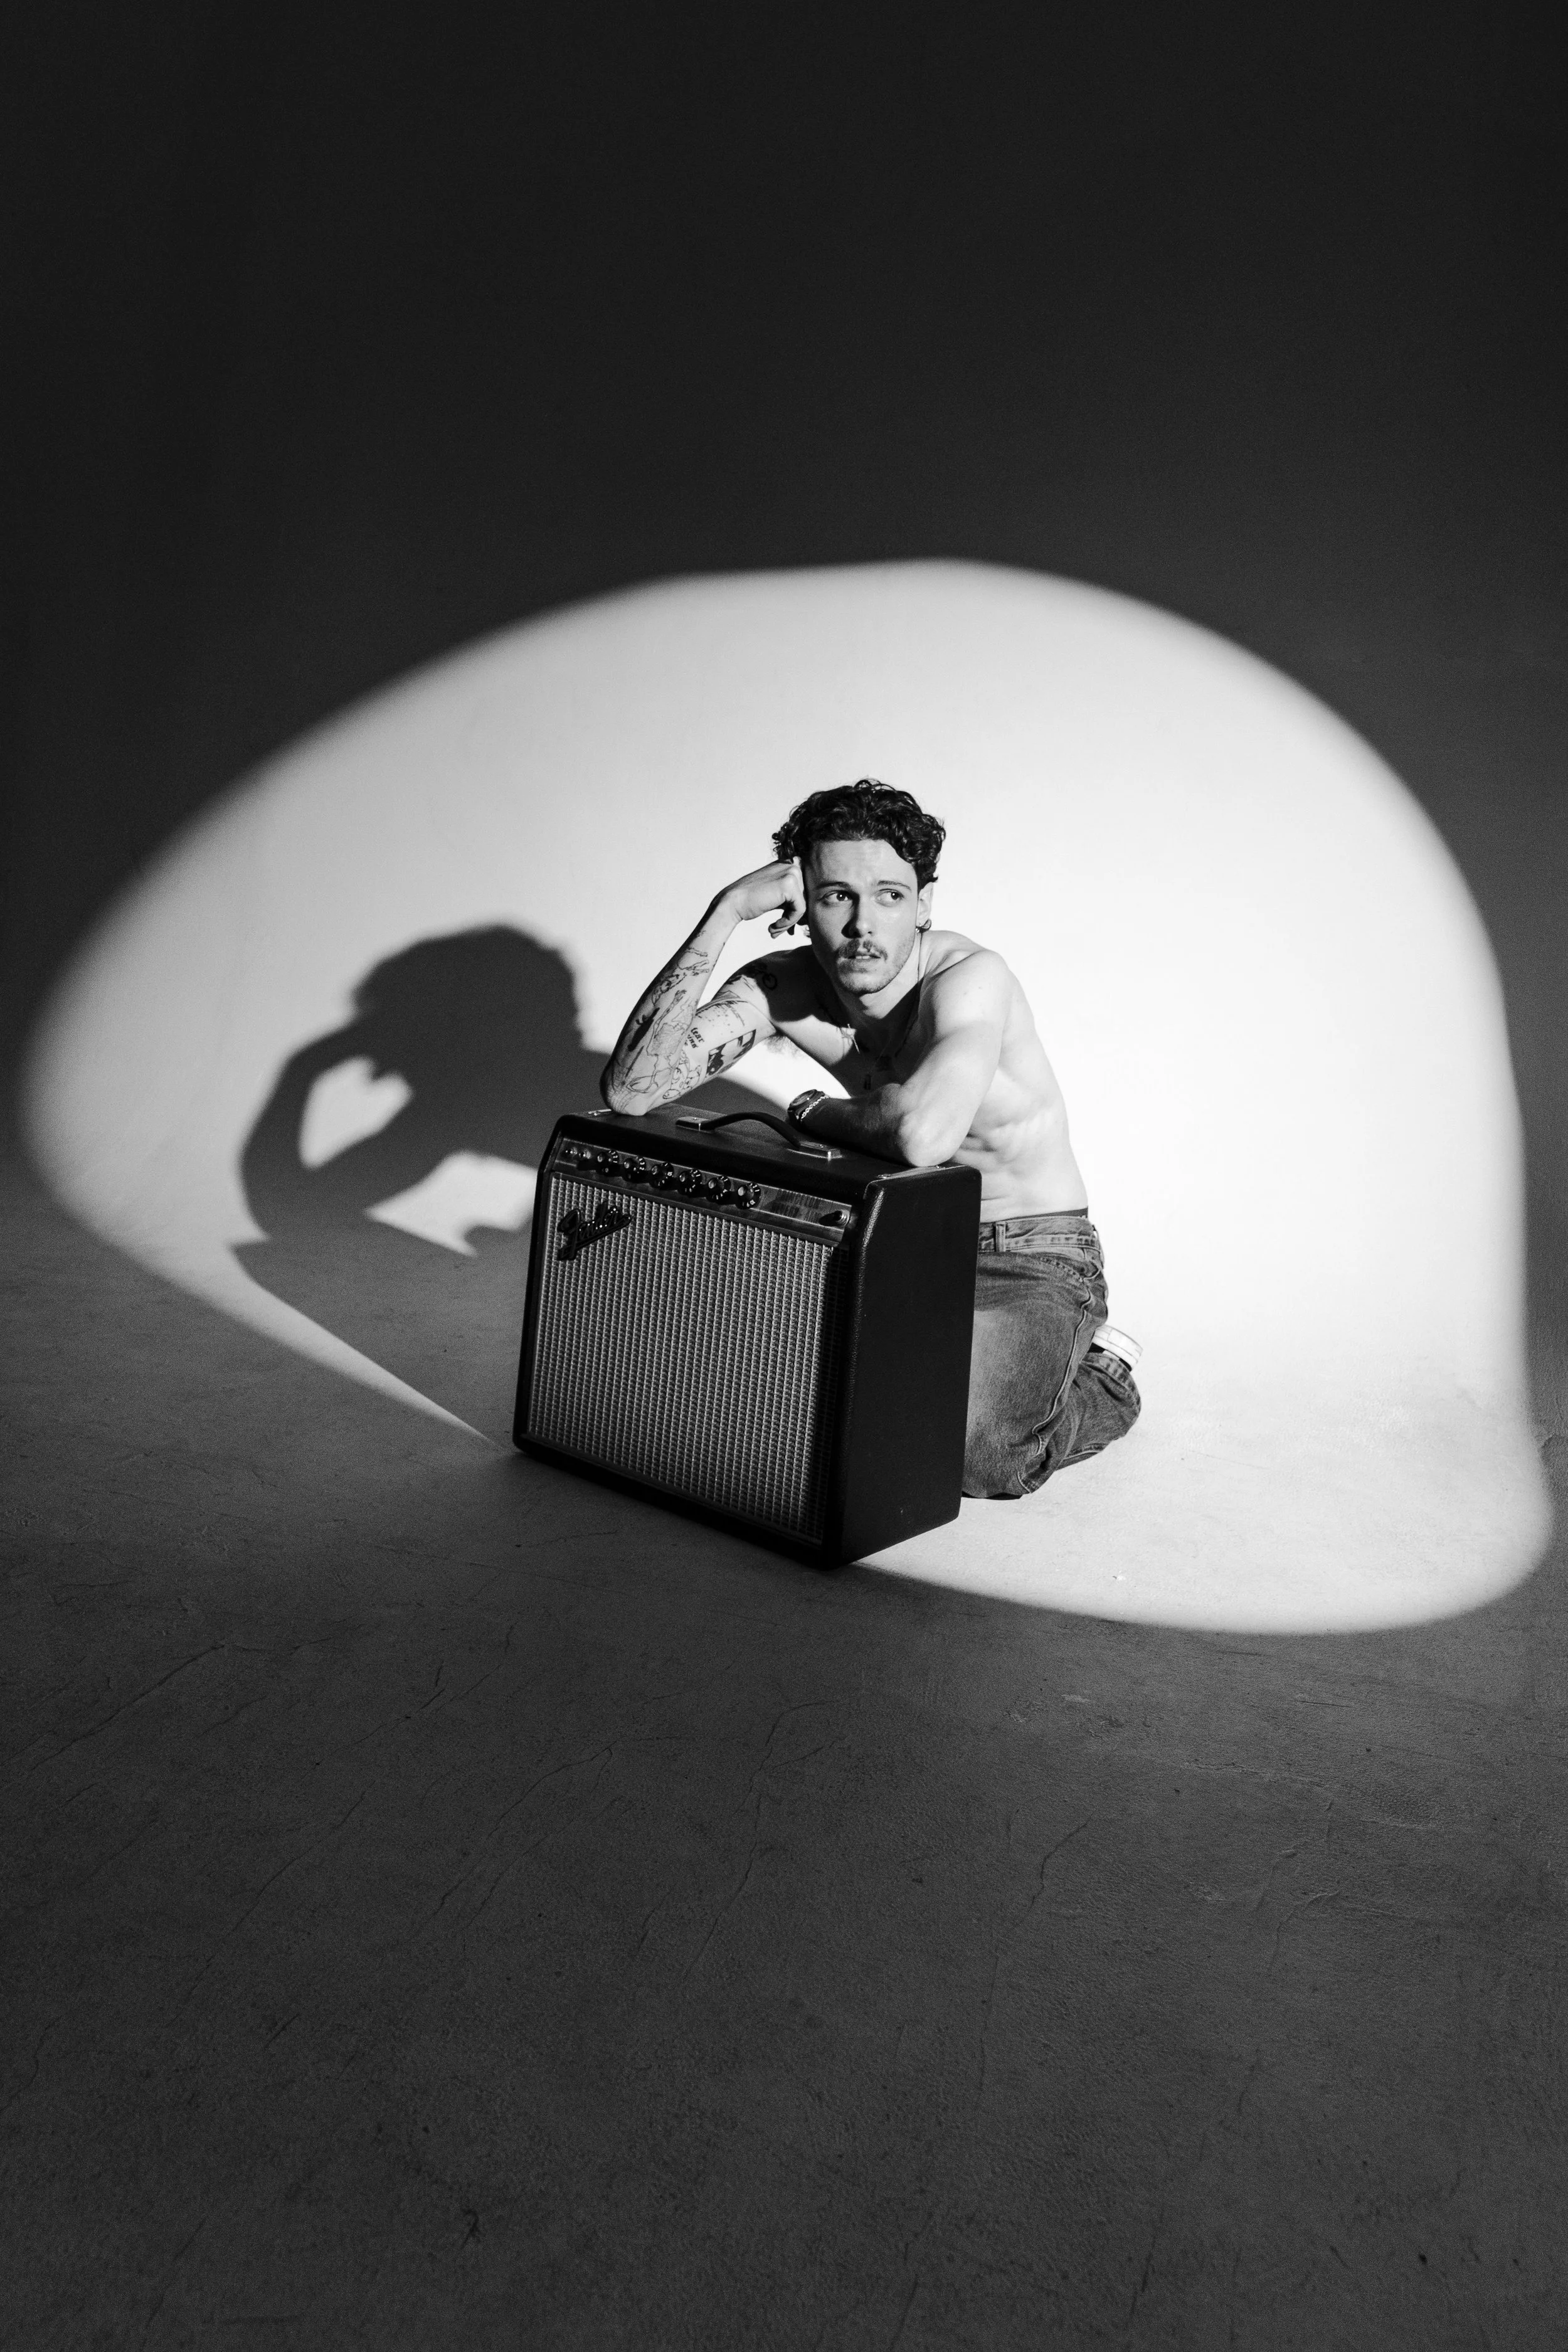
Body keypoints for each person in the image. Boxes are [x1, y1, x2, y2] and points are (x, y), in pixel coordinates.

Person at [600, 779, 1140, 1498]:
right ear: (800, 903)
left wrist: (815, 1110)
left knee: (978, 1461)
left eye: (889, 895)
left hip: (1027, 1249)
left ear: (922, 904)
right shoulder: (784, 988)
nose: (863, 924)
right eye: (836, 896)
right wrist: (725, 912)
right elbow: (633, 1091)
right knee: (772, 1396)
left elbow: (923, 1134)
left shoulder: (969, 977)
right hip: (899, 1235)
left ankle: (1103, 1376)